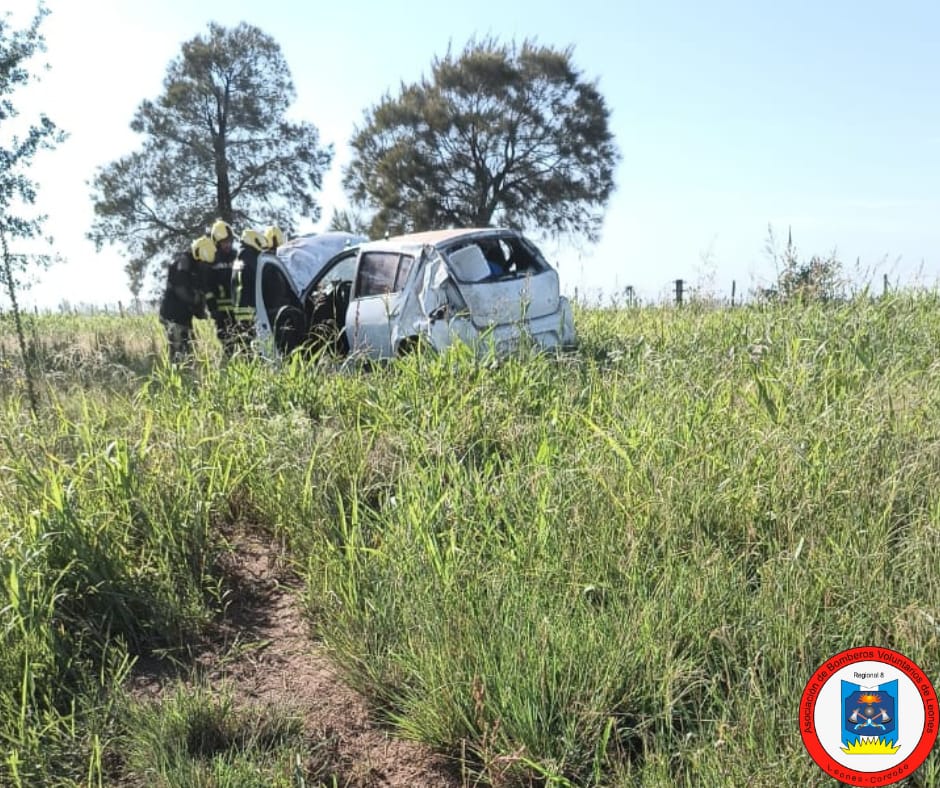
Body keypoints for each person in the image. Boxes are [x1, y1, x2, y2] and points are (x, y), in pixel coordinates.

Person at [159, 236, 214, 363]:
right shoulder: (183, 262)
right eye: (203, 262)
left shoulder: (198, 268)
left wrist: (201, 310)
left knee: (190, 350)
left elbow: (200, 292)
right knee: (178, 352)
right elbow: (181, 290)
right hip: (173, 315)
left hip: (184, 317)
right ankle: (177, 373)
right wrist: (196, 301)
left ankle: (187, 372)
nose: (205, 266)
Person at [204, 218, 239, 356]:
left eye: (229, 241)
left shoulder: (237, 256)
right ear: (217, 242)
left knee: (244, 343)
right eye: (224, 242)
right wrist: (212, 308)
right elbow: (207, 287)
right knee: (227, 345)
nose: (228, 244)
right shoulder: (211, 259)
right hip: (220, 311)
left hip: (238, 309)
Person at [230, 228, 265, 354]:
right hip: (248, 306)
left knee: (244, 342)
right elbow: (259, 275)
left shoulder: (239, 256)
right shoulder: (248, 255)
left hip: (240, 306)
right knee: (252, 342)